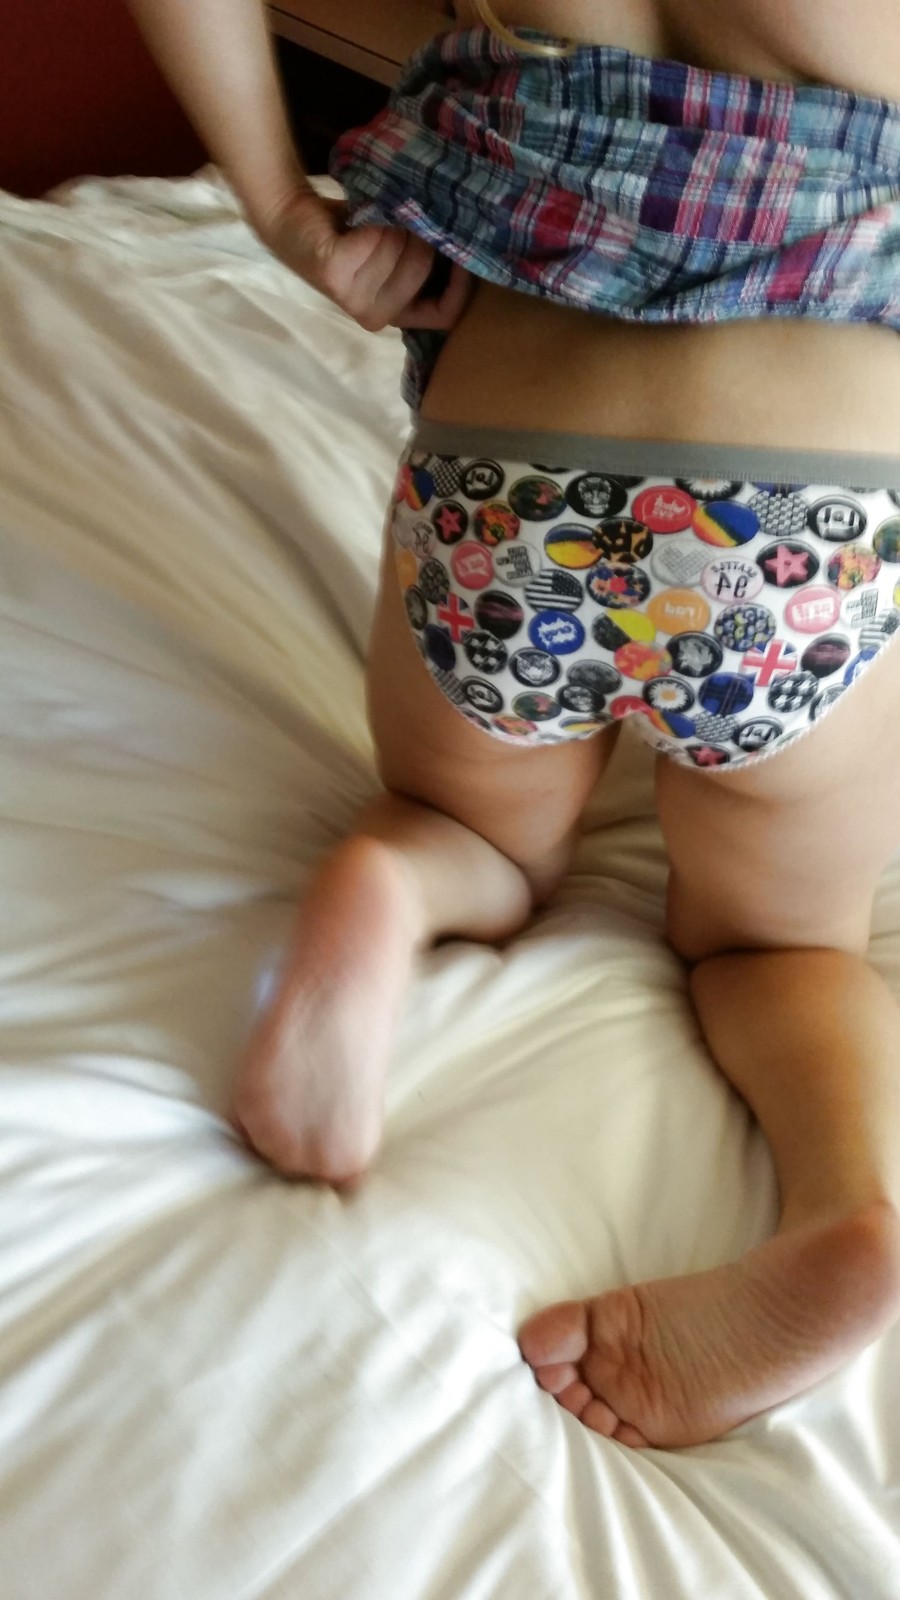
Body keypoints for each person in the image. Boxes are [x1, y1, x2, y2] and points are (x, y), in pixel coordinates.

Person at [126, 0, 900, 1448]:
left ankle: (399, 881)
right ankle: (845, 1211)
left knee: (465, 824)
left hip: (504, 498)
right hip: (801, 533)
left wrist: (282, 202)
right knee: (776, 946)